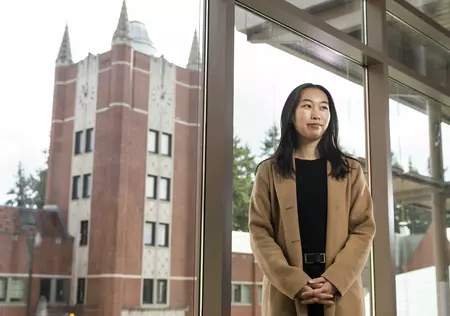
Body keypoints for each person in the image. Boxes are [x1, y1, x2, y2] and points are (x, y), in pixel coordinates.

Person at [248, 83, 376, 316]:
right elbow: (260, 233)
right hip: (287, 293)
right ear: (291, 114)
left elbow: (363, 229)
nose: (317, 114)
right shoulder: (269, 171)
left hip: (339, 292)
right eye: (307, 106)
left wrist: (335, 280)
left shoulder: (351, 170)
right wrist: (294, 283)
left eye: (324, 108)